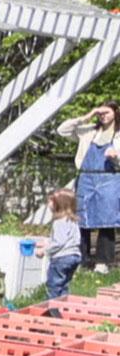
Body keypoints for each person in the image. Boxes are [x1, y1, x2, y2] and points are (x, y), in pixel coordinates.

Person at [57, 102, 120, 273]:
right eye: (100, 113)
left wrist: (116, 157)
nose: (102, 115)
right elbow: (62, 130)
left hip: (110, 177)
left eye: (106, 112)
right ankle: (82, 260)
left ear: (115, 112)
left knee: (107, 220)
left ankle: (102, 262)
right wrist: (87, 115)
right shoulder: (89, 131)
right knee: (82, 219)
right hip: (86, 177)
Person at [46, 190, 82, 300]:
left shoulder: (59, 222)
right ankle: (64, 306)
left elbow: (59, 243)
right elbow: (75, 239)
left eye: (51, 201)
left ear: (59, 204)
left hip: (61, 258)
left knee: (54, 286)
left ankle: (52, 310)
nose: (48, 204)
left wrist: (45, 250)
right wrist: (47, 242)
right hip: (74, 256)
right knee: (64, 285)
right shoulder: (73, 220)